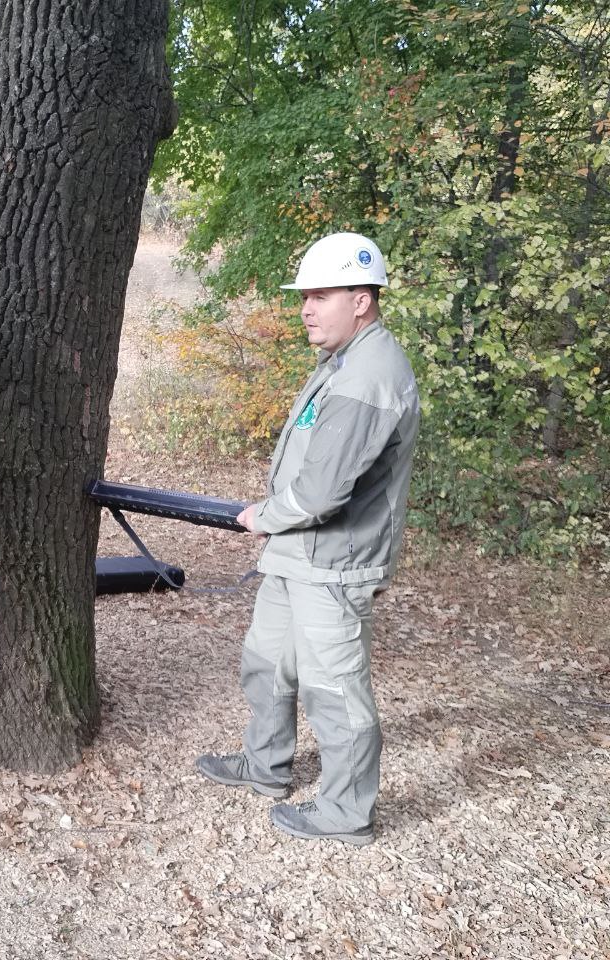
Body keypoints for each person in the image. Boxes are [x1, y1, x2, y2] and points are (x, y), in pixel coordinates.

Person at [196, 232, 420, 846]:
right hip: (296, 555)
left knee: (335, 691)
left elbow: (321, 495)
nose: (306, 308)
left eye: (320, 295)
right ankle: (266, 768)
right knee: (266, 664)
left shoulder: (371, 375)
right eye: (305, 296)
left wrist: (263, 514)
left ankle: (347, 813)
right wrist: (274, 524)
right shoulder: (343, 362)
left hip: (335, 563)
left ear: (362, 300)